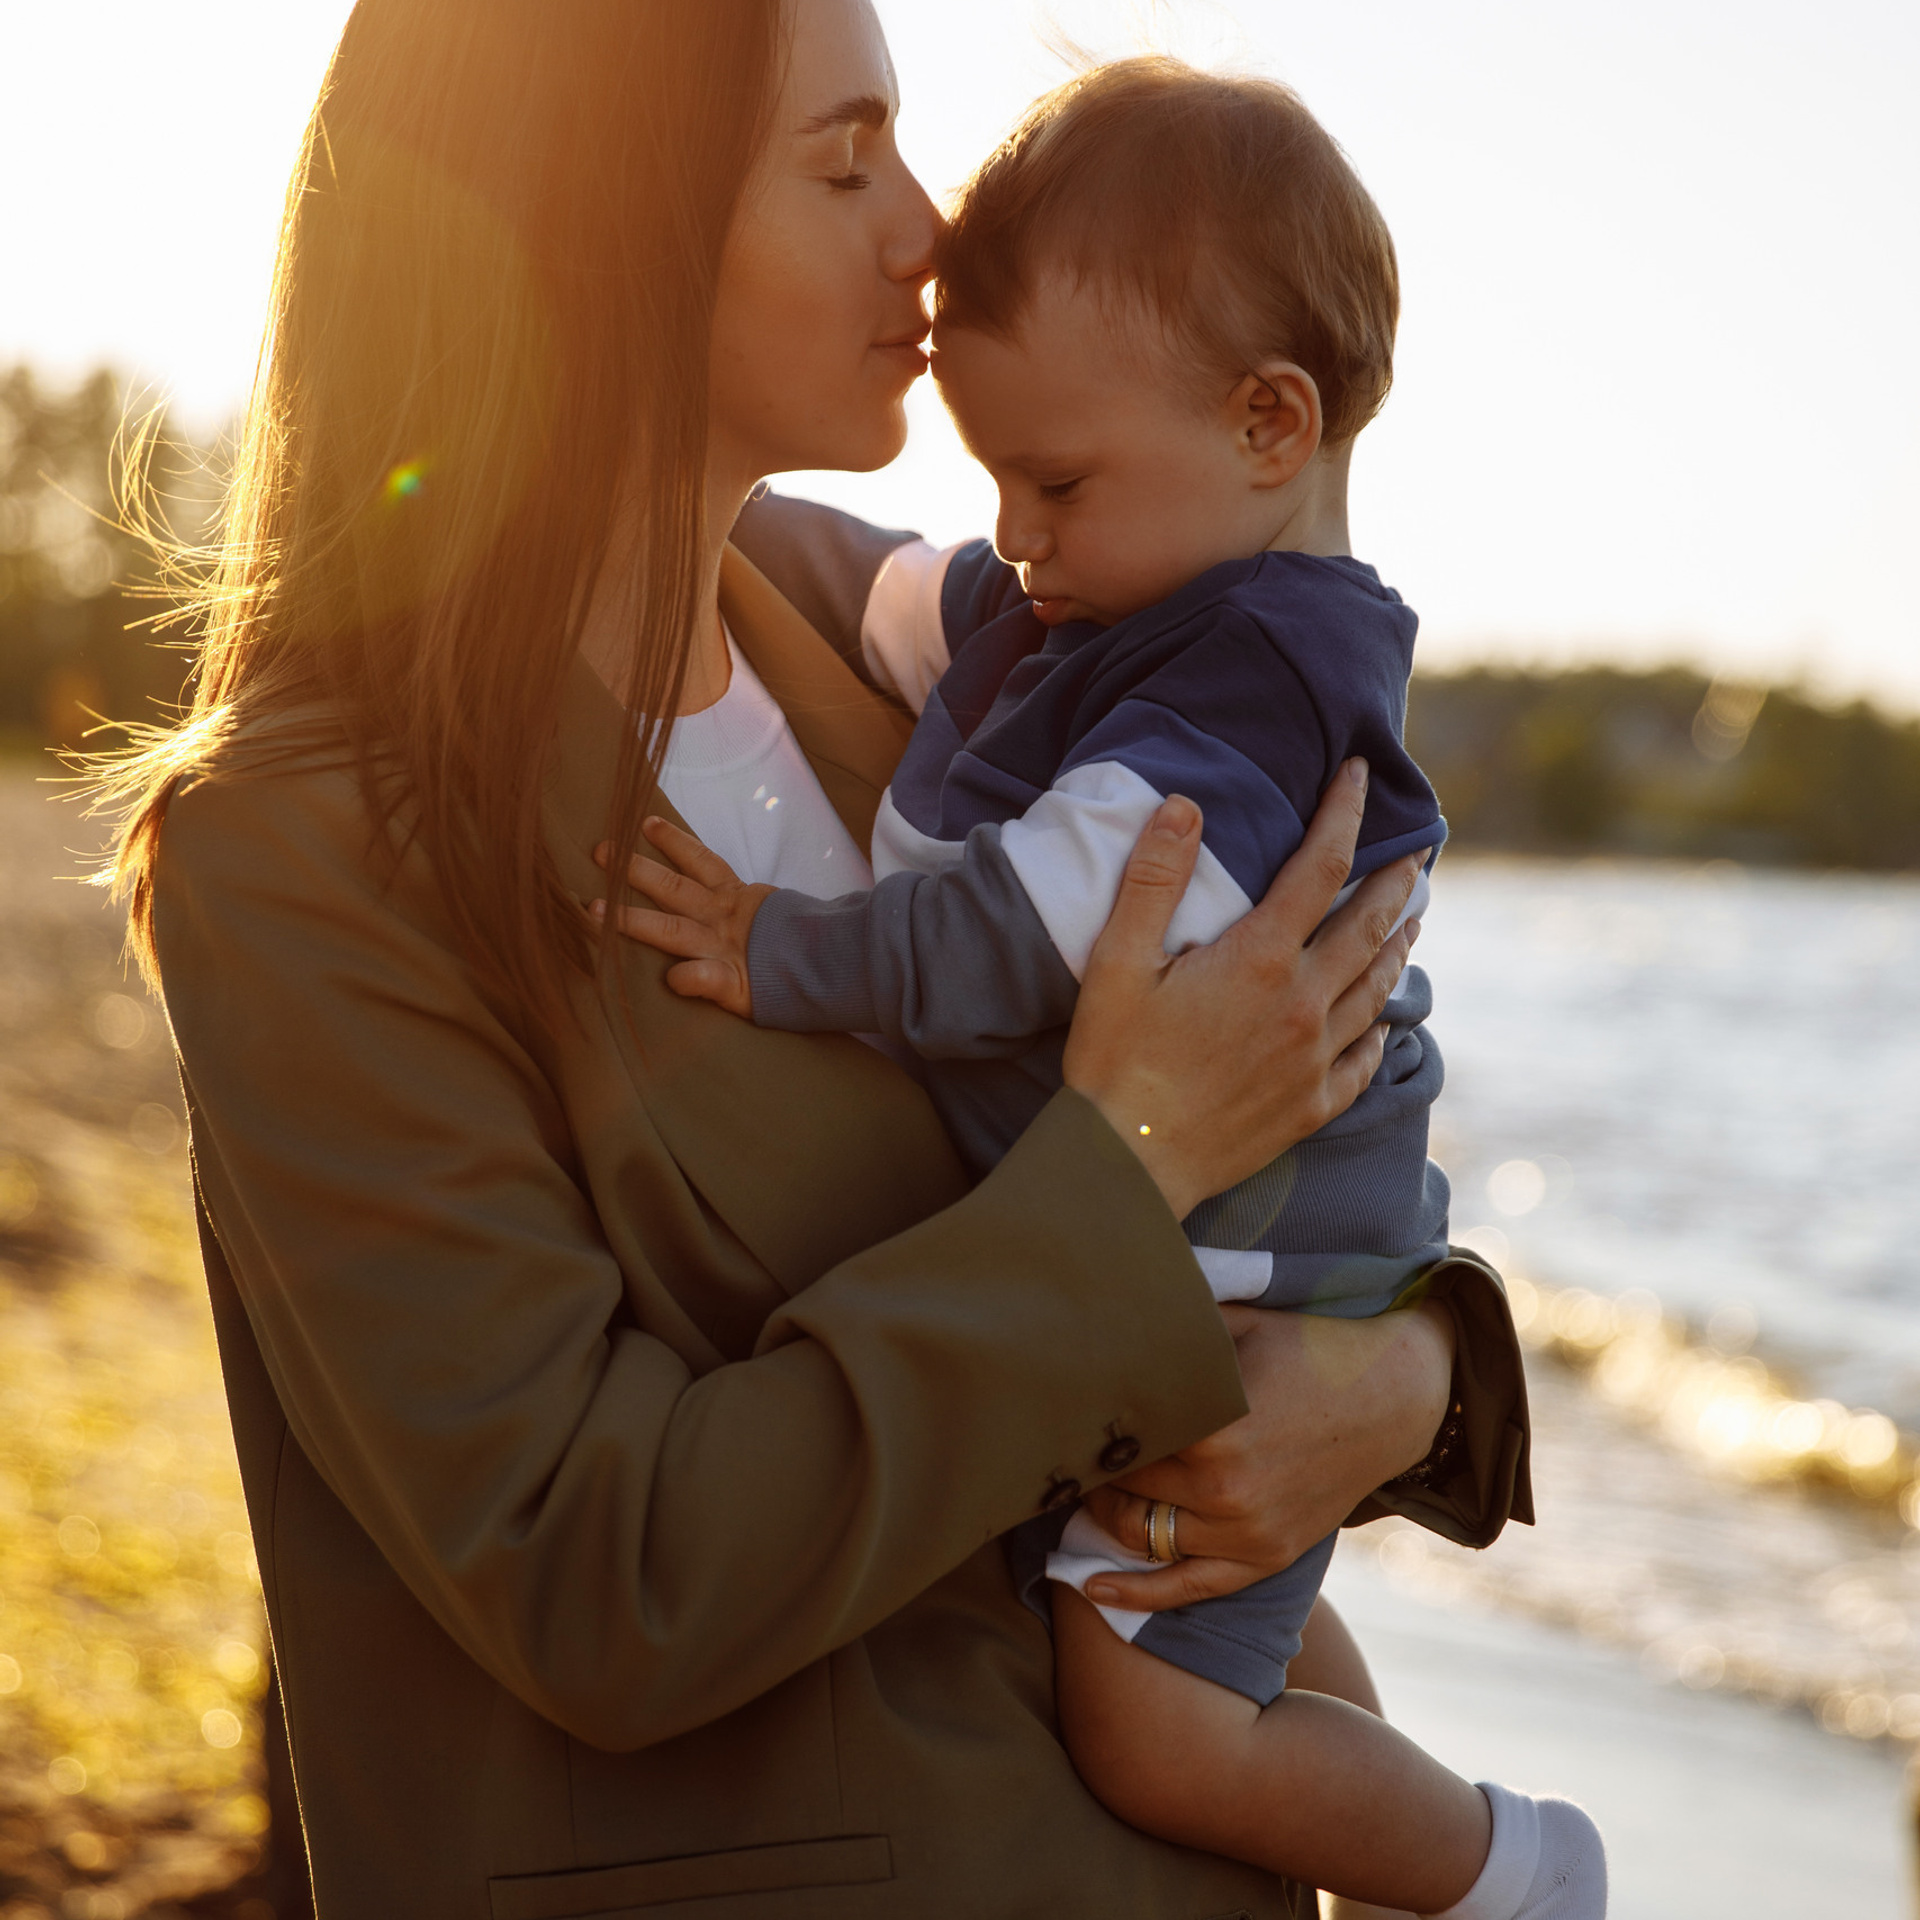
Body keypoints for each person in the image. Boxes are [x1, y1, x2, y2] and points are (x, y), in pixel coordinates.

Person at [94, 3, 1531, 1914]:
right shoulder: (313, 850)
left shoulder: (935, 673)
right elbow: (598, 1572)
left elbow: (1288, 1125)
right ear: (597, 229)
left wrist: (1412, 1377)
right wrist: (1130, 1175)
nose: (926, 228)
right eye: (844, 161)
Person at [609, 58, 1597, 1920]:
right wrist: (650, 487)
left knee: (1160, 1724)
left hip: (1240, 1281)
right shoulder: (1099, 589)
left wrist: (774, 948)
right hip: (1154, 1293)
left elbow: (1014, 936)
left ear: (1266, 422)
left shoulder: (1250, 699)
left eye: (1051, 482)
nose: (1017, 537)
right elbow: (880, 583)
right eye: (999, 481)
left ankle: (1511, 1877)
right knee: (1232, 1655)